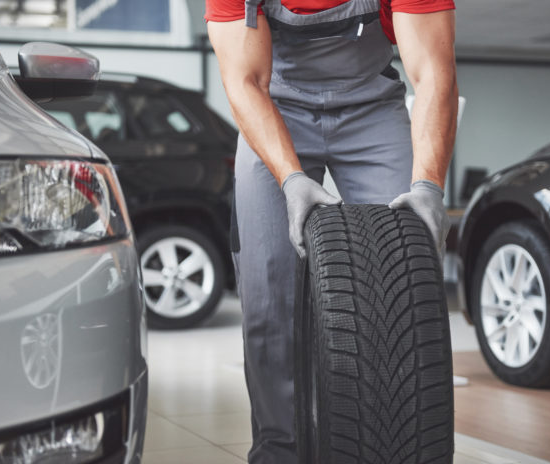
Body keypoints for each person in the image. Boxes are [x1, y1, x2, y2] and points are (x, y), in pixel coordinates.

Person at [206, 0, 458, 462]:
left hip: (373, 111)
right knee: (267, 299)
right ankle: (279, 449)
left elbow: (433, 73)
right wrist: (291, 177)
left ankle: (395, 445)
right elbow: (244, 81)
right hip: (275, 110)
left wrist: (428, 185)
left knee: (402, 282)